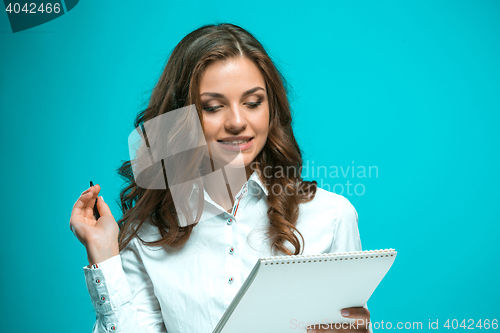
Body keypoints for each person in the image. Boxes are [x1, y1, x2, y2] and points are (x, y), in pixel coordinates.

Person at [70, 23, 371, 333]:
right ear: (180, 117)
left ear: (272, 108)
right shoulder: (148, 233)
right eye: (213, 107)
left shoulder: (332, 217)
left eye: (253, 103)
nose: (237, 122)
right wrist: (104, 255)